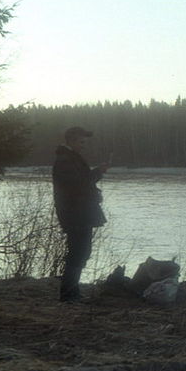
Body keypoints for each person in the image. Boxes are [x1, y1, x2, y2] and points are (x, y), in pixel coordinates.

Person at [52, 126, 110, 302]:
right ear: (71, 141)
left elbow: (81, 183)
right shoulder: (65, 160)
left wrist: (95, 183)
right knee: (78, 253)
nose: (84, 145)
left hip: (79, 213)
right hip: (75, 214)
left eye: (85, 142)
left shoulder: (70, 158)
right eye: (81, 141)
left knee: (81, 252)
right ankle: (69, 294)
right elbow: (78, 185)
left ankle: (72, 292)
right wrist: (97, 172)